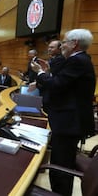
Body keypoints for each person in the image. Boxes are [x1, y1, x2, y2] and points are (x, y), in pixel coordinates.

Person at [31, 29, 96, 196]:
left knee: (61, 167)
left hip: (69, 124)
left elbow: (56, 85)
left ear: (74, 44)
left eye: (65, 42)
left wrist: (39, 73)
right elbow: (64, 84)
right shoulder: (78, 60)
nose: (62, 46)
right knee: (62, 163)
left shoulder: (77, 61)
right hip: (69, 122)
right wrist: (47, 73)